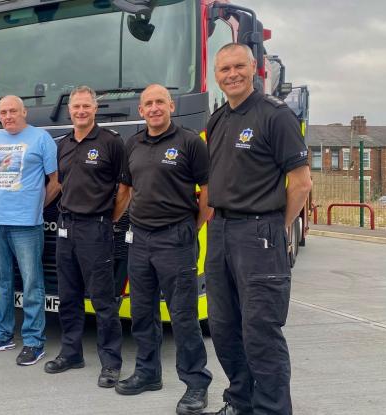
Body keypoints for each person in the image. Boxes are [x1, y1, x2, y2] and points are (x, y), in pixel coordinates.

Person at [203, 43, 312, 415]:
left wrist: (277, 228)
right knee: (223, 327)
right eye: (223, 69)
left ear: (254, 69)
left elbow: (300, 183)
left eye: (238, 67)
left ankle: (271, 409)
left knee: (261, 330)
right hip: (220, 233)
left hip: (258, 233)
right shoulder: (216, 120)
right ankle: (240, 401)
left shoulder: (274, 115)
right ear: (215, 76)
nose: (231, 74)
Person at [112, 84, 213, 414]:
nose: (154, 108)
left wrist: (190, 228)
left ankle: (196, 383)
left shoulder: (189, 143)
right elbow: (126, 190)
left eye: (160, 102)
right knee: (142, 312)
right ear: (140, 111)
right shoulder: (133, 144)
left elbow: (208, 194)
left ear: (170, 105)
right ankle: (147, 372)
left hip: (176, 238)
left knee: (183, 316)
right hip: (140, 239)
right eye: (148, 104)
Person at [43, 86, 123, 387]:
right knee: (69, 295)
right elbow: (61, 183)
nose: (80, 111)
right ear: (70, 110)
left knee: (103, 300)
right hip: (66, 227)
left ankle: (111, 362)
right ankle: (71, 352)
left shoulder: (110, 143)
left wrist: (106, 220)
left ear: (95, 109)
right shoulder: (62, 144)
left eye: (86, 106)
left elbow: (124, 188)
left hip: (96, 228)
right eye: (76, 106)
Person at [0, 95, 60, 366]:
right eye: (3, 112)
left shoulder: (42, 138)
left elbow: (56, 182)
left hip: (27, 225)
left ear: (24, 111)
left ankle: (34, 342)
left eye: (13, 110)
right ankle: (3, 335)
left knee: (32, 284)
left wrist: (35, 207)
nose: (8, 116)